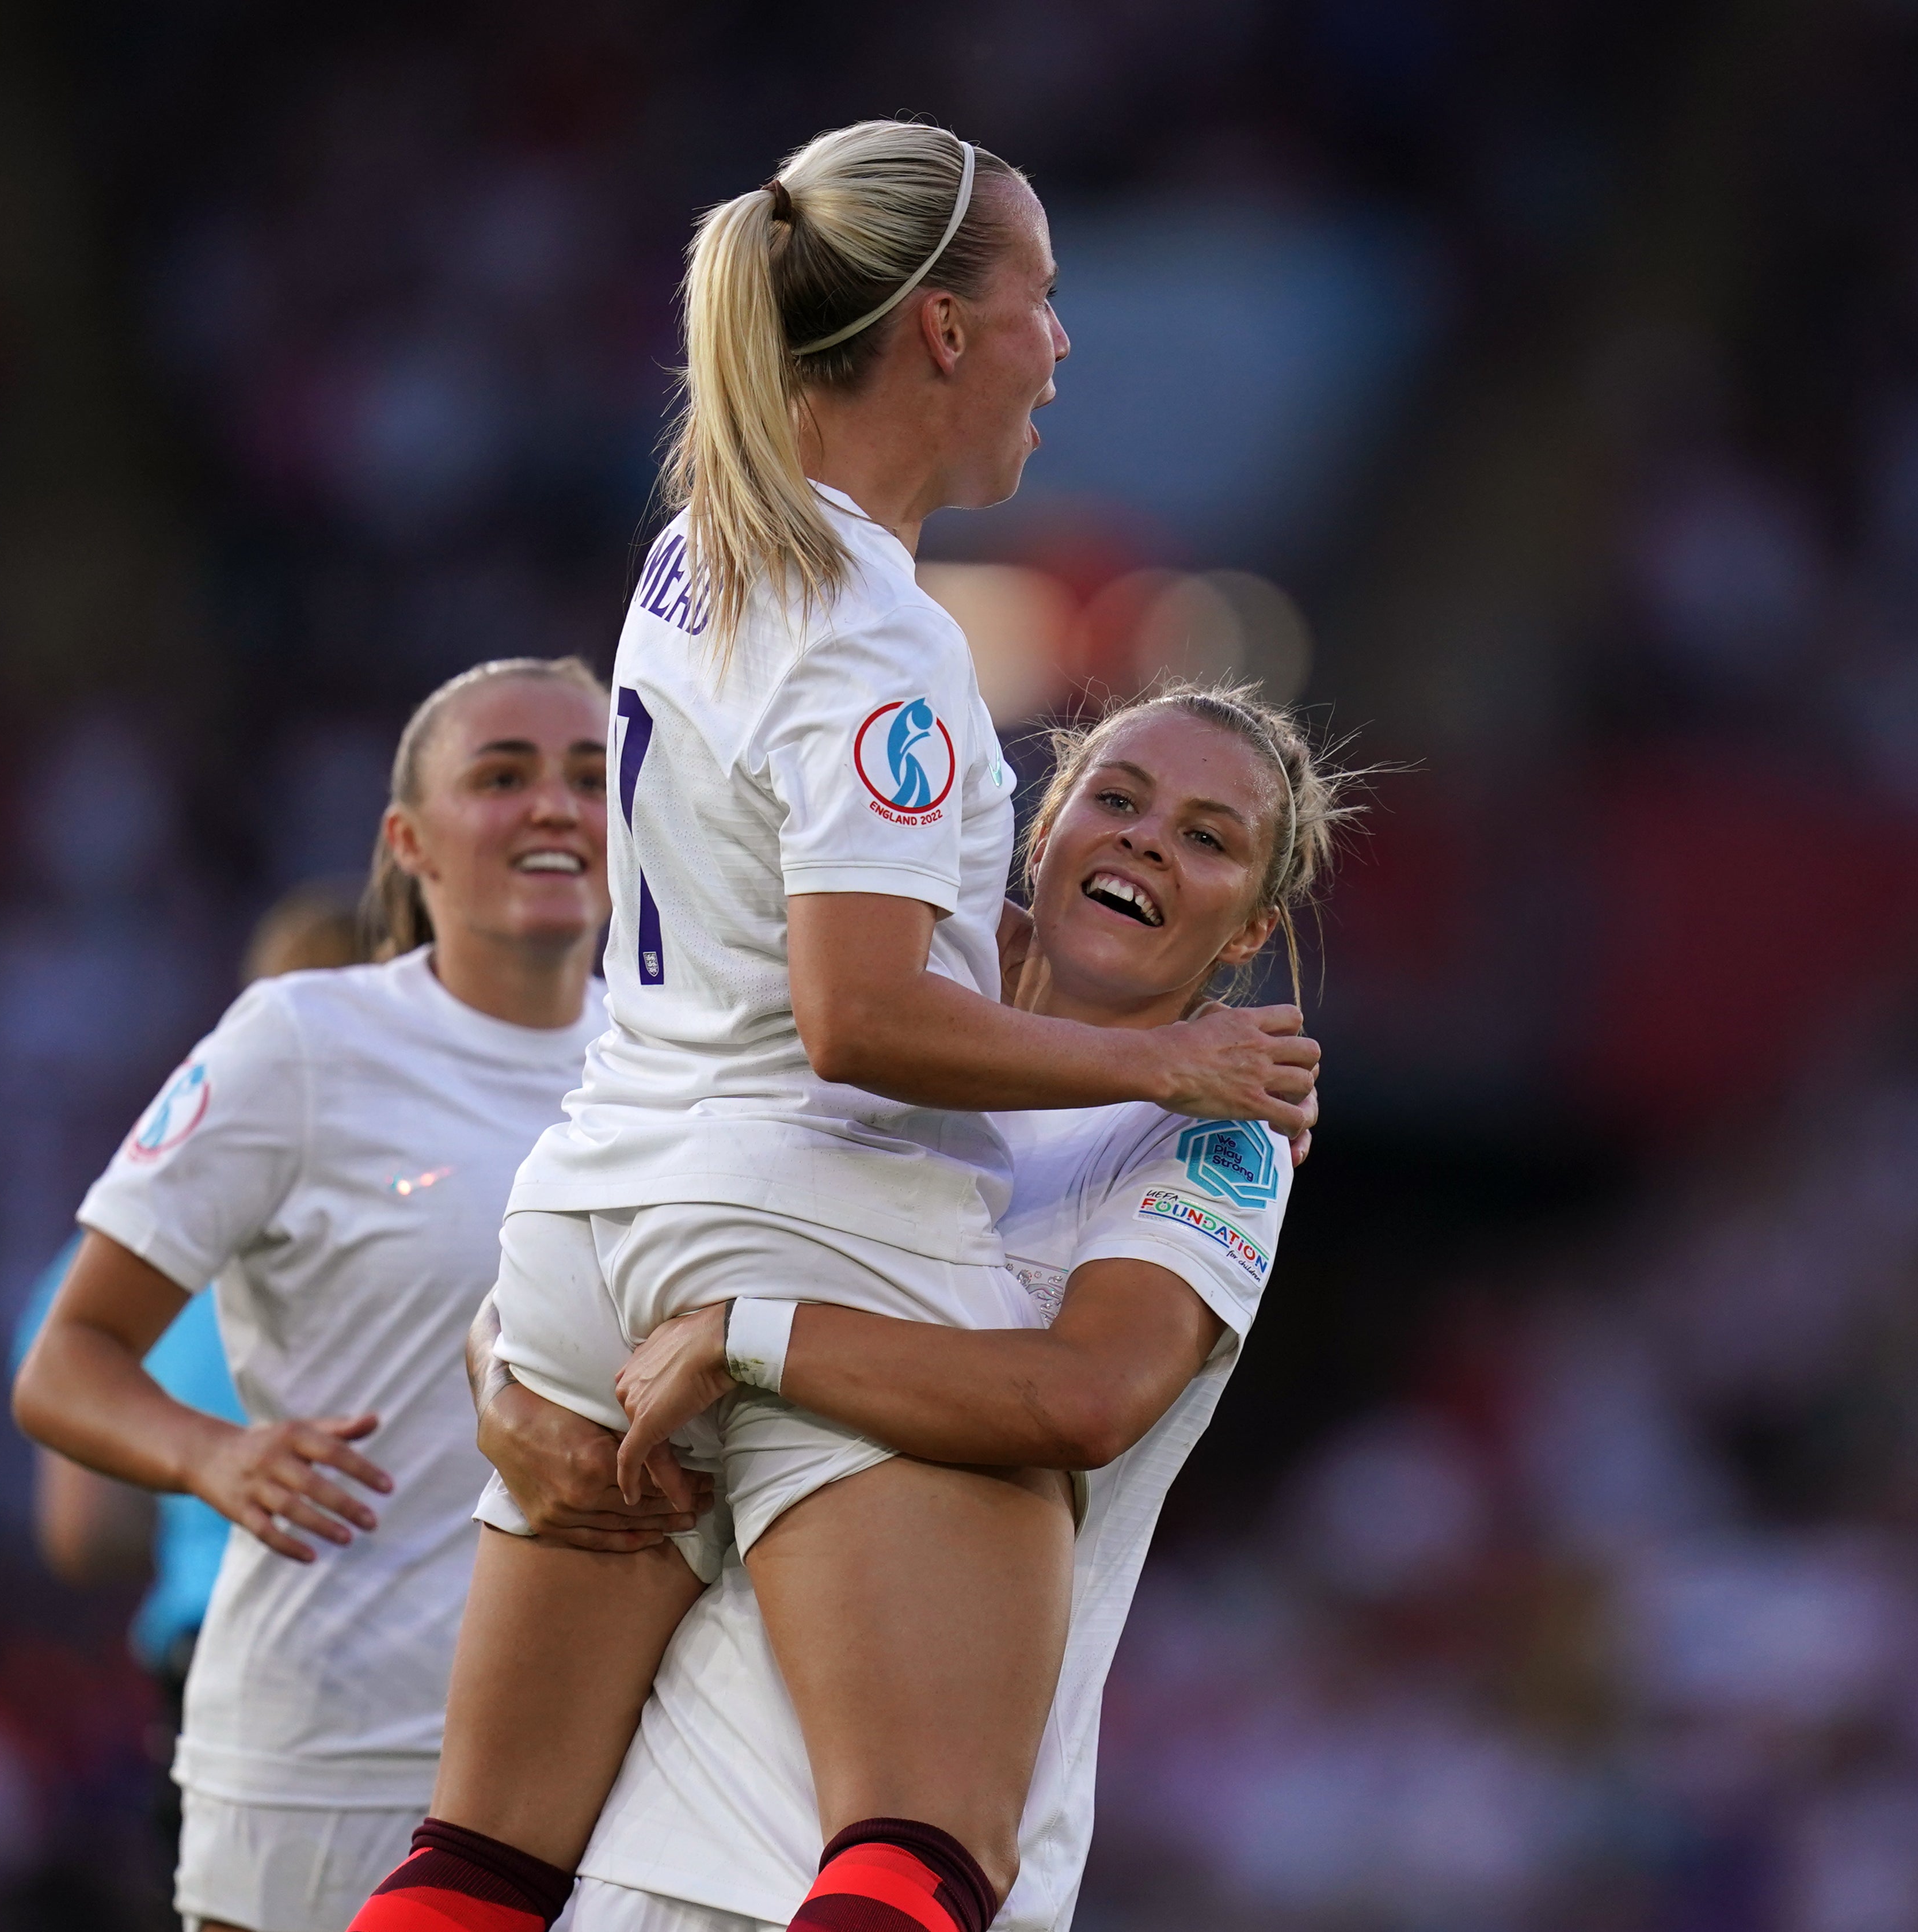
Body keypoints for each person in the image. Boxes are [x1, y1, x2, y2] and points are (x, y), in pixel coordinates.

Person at [350, 122, 1319, 1932]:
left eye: (1204, 841)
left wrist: (543, 1350)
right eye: (1041, 298)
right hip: (788, 1204)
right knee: (935, 1844)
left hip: (598, 1216)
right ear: (942, 333)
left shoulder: (692, 556)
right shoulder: (891, 646)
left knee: (475, 1856)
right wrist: (1163, 1054)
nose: (1060, 343)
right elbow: (858, 1017)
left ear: (1253, 917)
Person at [493, 686, 1356, 1932]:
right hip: (678, 1804)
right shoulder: (848, 1021)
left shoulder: (1219, 1139)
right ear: (1042, 828)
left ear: (1245, 934)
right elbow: (583, 1228)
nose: (1148, 840)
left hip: (927, 1843)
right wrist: (502, 1393)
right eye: (1114, 800)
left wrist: (748, 1337)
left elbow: (1085, 1394)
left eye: (1208, 838)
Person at [13, 658, 652, 1932]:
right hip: (328, 1754)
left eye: (591, 777)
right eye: (502, 775)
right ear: (405, 842)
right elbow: (65, 1359)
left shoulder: (672, 1057)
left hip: (600, 1766)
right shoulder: (301, 1043)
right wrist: (212, 1454)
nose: (554, 808)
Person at [8, 887, 366, 1858]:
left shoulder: (112, 1265)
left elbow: (82, 1529)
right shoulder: (443, 1225)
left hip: (214, 1672)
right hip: (414, 1667)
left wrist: (204, 1492)